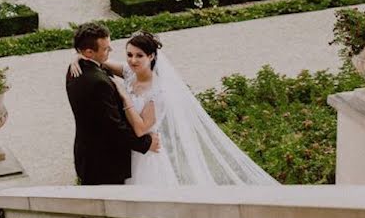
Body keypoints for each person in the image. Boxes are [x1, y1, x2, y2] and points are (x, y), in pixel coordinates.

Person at [70, 31, 278, 186]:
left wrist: (124, 97)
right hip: (128, 152)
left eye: (139, 55)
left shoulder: (157, 91)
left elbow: (142, 129)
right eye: (130, 54)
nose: (133, 60)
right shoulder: (129, 73)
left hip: (147, 155)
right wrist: (79, 56)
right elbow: (101, 62)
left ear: (151, 57)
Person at [66, 23, 161, 185]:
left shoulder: (75, 69)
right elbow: (113, 127)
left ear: (151, 57)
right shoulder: (98, 82)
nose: (110, 52)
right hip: (105, 161)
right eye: (106, 49)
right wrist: (146, 144)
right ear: (89, 52)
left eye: (139, 55)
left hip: (94, 154)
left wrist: (77, 56)